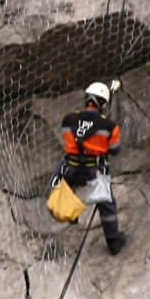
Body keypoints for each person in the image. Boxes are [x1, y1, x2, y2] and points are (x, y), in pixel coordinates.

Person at [58, 82, 125, 254]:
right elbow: (115, 150)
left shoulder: (68, 119)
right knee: (106, 204)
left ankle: (71, 216)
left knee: (63, 183)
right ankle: (113, 242)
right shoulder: (109, 126)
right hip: (93, 170)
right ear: (103, 104)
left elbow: (71, 138)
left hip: (70, 168)